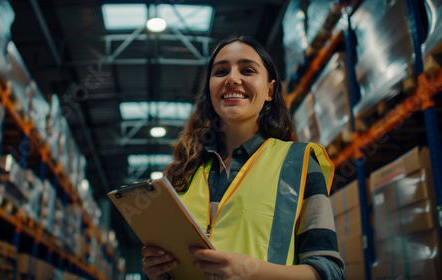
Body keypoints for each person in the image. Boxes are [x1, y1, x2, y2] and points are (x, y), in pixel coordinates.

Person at [141, 35, 345, 280]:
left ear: (269, 90)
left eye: (247, 70)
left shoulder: (298, 163)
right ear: (209, 90)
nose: (232, 79)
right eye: (221, 72)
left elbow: (330, 272)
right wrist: (158, 271)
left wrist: (252, 271)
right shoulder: (182, 173)